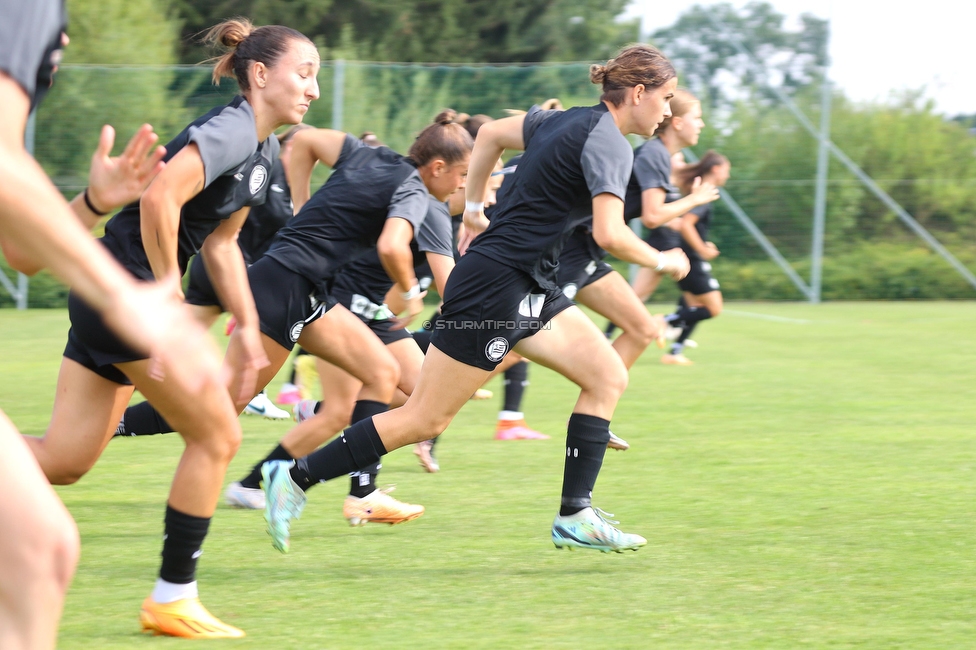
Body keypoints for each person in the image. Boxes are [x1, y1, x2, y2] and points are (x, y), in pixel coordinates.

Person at [260, 44, 690, 555]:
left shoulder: (559, 122)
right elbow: (612, 234)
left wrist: (473, 209)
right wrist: (666, 261)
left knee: (607, 376)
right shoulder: (612, 145)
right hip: (497, 287)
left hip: (529, 282)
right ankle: (293, 478)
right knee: (424, 418)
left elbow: (489, 134)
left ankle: (576, 515)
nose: (667, 112)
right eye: (665, 98)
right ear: (637, 93)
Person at [21, 18, 321, 639]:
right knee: (217, 435)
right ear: (261, 74)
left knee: (66, 459)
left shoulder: (261, 153)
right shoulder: (235, 128)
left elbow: (221, 243)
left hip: (110, 291)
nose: (313, 89)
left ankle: (171, 600)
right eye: (305, 73)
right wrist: (166, 301)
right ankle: (172, 597)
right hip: (123, 292)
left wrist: (242, 325)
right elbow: (160, 199)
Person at [115, 125, 314, 436]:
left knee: (163, 352)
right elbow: (220, 232)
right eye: (306, 152)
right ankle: (256, 397)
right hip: (226, 269)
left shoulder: (290, 182)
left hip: (234, 267)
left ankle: (114, 416)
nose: (309, 162)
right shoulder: (264, 164)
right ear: (291, 147)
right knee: (212, 421)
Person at [604, 88, 718, 337]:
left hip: (588, 247)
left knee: (644, 330)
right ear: (677, 123)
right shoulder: (654, 154)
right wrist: (694, 200)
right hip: (575, 244)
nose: (701, 124)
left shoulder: (661, 155)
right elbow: (653, 217)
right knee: (517, 342)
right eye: (696, 117)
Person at [661, 151, 731, 365]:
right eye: (727, 171)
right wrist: (701, 249)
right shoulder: (704, 192)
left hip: (686, 257)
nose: (728, 176)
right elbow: (686, 224)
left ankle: (674, 353)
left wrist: (704, 243)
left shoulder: (701, 191)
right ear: (717, 169)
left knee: (694, 309)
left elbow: (690, 224)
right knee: (713, 308)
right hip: (691, 259)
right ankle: (662, 322)